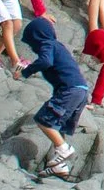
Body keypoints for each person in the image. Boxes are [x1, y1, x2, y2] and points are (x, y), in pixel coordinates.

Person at [19, 17, 89, 178]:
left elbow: (45, 61)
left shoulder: (47, 44)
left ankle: (64, 149)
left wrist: (26, 71)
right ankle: (60, 166)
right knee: (58, 125)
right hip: (81, 90)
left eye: (31, 42)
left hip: (69, 90)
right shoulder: (59, 46)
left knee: (44, 120)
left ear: (37, 37)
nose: (32, 46)